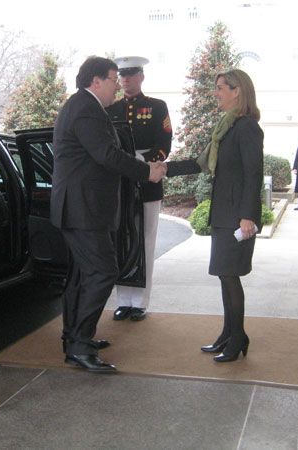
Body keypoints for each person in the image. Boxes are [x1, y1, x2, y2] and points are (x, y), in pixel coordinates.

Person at [51, 56, 166, 373]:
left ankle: (74, 337)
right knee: (102, 272)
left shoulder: (83, 106)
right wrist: (147, 172)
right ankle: (79, 345)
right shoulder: (86, 109)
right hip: (83, 210)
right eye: (114, 78)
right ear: (95, 81)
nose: (118, 84)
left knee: (81, 277)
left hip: (80, 209)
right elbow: (106, 155)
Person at [164, 68, 263, 363]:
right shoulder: (225, 127)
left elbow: (253, 175)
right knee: (224, 275)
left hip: (237, 217)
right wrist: (164, 169)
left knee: (231, 277)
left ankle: (238, 338)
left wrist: (248, 216)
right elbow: (201, 162)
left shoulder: (247, 128)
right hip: (223, 213)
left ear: (238, 91)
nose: (216, 93)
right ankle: (229, 334)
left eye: (221, 87)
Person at [106, 56, 173, 322]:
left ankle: (140, 302)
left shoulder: (157, 107)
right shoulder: (110, 108)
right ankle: (123, 301)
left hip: (147, 181)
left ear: (141, 77)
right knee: (121, 239)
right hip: (119, 182)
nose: (126, 80)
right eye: (122, 75)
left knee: (145, 239)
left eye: (131, 75)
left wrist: (143, 162)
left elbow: (164, 143)